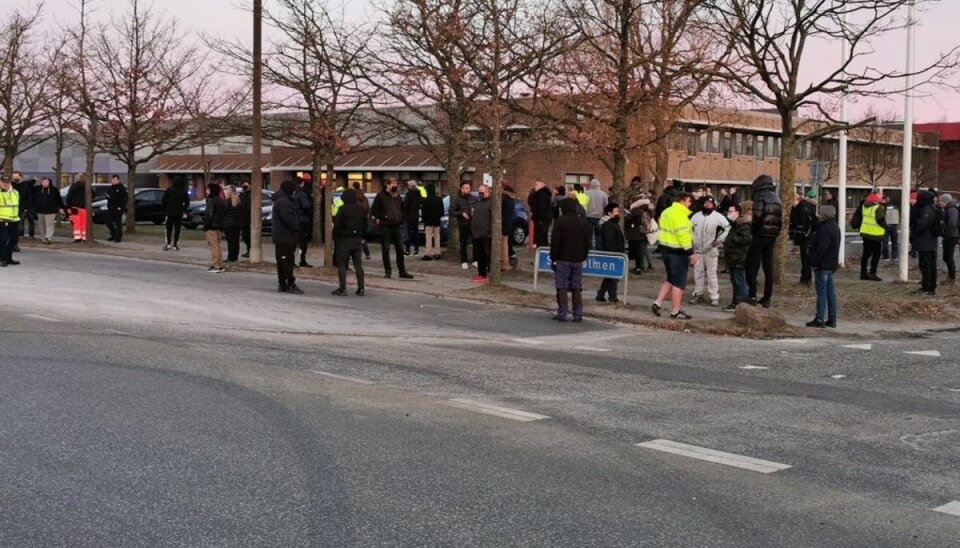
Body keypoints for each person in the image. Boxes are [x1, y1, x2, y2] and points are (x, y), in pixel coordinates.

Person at [652, 192, 697, 320]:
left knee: (670, 279)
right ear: (682, 201)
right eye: (689, 201)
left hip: (665, 250)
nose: (690, 204)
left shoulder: (666, 212)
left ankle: (658, 302)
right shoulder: (680, 215)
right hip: (678, 252)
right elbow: (682, 235)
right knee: (679, 283)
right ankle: (675, 311)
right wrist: (691, 252)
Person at [745, 175, 783, 308]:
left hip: (760, 233)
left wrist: (754, 230)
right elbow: (780, 218)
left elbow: (757, 215)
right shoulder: (776, 197)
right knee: (768, 266)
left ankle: (752, 294)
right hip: (771, 235)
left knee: (749, 263)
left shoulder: (760, 196)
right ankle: (767, 297)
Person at [551, 198, 591, 322]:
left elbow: (555, 242)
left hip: (563, 258)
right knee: (576, 286)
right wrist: (583, 256)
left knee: (562, 285)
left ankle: (563, 312)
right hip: (578, 259)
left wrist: (554, 258)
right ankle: (577, 313)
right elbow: (587, 243)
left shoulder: (560, 222)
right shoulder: (583, 223)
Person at [689, 196, 729, 307]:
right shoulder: (696, 217)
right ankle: (698, 293)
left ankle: (714, 296)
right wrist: (691, 241)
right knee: (698, 273)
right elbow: (689, 229)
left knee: (711, 274)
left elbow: (727, 228)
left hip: (711, 249)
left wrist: (719, 240)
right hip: (697, 250)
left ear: (714, 205)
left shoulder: (718, 217)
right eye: (706, 203)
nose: (708, 205)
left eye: (710, 204)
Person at [806, 205, 841, 328]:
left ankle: (819, 318)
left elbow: (821, 248)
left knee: (821, 292)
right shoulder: (835, 227)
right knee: (830, 292)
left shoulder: (824, 228)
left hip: (822, 264)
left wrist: (814, 262)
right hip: (831, 264)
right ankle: (832, 318)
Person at [372, 178, 413, 279]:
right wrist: (384, 216)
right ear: (388, 185)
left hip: (396, 225)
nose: (395, 185)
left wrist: (401, 217)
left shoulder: (397, 196)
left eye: (396, 183)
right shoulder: (380, 196)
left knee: (400, 248)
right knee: (385, 249)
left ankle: (402, 271)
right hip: (385, 226)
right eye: (393, 184)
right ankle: (388, 271)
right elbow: (374, 210)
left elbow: (402, 208)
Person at [332, 188, 367, 296]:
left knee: (342, 264)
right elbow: (366, 225)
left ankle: (343, 288)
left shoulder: (342, 209)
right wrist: (362, 236)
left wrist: (335, 236)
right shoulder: (362, 209)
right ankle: (361, 288)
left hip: (344, 239)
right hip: (357, 239)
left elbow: (337, 224)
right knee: (358, 264)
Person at [721, 202, 753, 312]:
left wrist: (731, 241)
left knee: (740, 281)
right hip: (733, 258)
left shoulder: (743, 224)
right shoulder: (735, 224)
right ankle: (735, 302)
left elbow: (746, 239)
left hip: (740, 257)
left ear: (738, 212)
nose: (729, 214)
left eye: (731, 211)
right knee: (735, 281)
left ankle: (743, 305)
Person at [272, 180, 303, 293]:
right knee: (287, 261)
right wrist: (296, 228)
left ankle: (282, 283)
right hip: (286, 237)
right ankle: (290, 283)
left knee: (282, 261)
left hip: (281, 237)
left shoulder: (281, 201)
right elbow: (288, 219)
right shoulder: (284, 202)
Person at [852, 192, 886, 281]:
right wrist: (886, 228)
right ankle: (872, 273)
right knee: (876, 254)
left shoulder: (864, 206)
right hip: (876, 234)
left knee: (866, 254)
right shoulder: (878, 207)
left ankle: (863, 273)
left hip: (865, 233)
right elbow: (881, 220)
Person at [912, 191, 941, 295]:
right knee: (932, 265)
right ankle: (932, 287)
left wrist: (915, 232)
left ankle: (926, 287)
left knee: (925, 265)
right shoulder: (935, 208)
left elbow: (922, 224)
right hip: (932, 241)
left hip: (925, 241)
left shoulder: (926, 209)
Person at [596, 203, 625, 303]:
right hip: (613, 254)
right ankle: (613, 297)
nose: (618, 213)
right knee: (613, 276)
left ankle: (601, 294)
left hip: (616, 253)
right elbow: (609, 241)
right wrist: (614, 255)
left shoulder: (612, 223)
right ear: (610, 213)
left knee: (609, 276)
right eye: (616, 211)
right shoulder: (609, 225)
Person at [791, 190, 818, 285]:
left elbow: (801, 225)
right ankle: (805, 278)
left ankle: (806, 279)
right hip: (807, 235)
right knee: (805, 258)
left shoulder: (803, 208)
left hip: (806, 236)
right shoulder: (805, 206)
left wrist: (797, 239)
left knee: (805, 258)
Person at [625, 196, 655, 274]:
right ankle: (642, 266)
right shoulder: (647, 212)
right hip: (642, 234)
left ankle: (639, 267)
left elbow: (629, 220)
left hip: (635, 234)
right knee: (642, 251)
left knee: (638, 252)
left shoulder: (636, 211)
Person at [450, 181, 476, 269]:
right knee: (463, 242)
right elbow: (452, 211)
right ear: (462, 189)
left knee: (475, 241)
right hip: (463, 224)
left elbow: (478, 208)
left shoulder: (473, 198)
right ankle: (464, 261)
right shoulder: (457, 200)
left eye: (469, 188)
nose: (469, 190)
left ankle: (475, 260)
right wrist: (461, 214)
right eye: (466, 188)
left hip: (473, 224)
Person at [471, 184, 494, 283]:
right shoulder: (478, 203)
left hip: (486, 234)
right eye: (479, 191)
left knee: (488, 255)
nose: (480, 193)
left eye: (482, 191)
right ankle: (482, 274)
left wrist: (489, 230)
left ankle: (491, 273)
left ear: (487, 191)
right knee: (479, 255)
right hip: (477, 233)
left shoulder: (491, 203)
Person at [202, 182, 226, 273]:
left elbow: (209, 215)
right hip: (219, 226)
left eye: (208, 189)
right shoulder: (221, 200)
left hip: (212, 226)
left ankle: (216, 265)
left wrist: (206, 226)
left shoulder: (212, 201)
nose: (206, 191)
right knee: (218, 246)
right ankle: (220, 264)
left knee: (214, 246)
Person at [33, 177, 64, 245]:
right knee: (41, 225)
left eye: (46, 182)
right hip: (40, 210)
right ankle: (44, 238)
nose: (45, 183)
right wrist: (34, 180)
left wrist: (61, 207)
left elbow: (59, 199)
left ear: (49, 182)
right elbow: (29, 189)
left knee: (49, 224)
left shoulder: (54, 190)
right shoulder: (37, 189)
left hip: (51, 211)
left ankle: (48, 238)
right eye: (43, 182)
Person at [162, 180, 190, 251]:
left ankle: (168, 243)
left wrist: (167, 207)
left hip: (170, 212)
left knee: (168, 228)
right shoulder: (183, 191)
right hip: (179, 213)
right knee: (177, 229)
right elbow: (187, 203)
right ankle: (175, 244)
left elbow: (163, 201)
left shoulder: (169, 190)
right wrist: (183, 208)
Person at [0, 175, 20, 266]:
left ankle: (8, 257)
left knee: (13, 240)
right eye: (3, 183)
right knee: (3, 240)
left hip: (14, 220)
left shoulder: (15, 192)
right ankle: (3, 259)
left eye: (7, 183)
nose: (5, 184)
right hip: (2, 220)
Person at [292, 179, 313, 267]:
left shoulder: (293, 194)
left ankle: (291, 260)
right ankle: (302, 260)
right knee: (303, 242)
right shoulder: (302, 194)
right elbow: (306, 206)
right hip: (303, 220)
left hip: (295, 220)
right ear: (302, 184)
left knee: (294, 242)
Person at [421, 183, 443, 260]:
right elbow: (442, 211)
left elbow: (424, 212)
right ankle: (438, 253)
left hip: (428, 222)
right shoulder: (439, 199)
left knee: (429, 238)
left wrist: (424, 219)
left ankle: (428, 254)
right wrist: (438, 216)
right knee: (437, 237)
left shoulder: (426, 200)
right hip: (437, 221)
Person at [528, 179, 553, 248]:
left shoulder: (542, 194)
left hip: (542, 219)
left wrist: (540, 220)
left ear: (542, 185)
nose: (535, 186)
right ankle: (543, 249)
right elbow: (530, 202)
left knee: (541, 236)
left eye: (537, 184)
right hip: (542, 219)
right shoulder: (537, 194)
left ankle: (542, 250)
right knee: (542, 236)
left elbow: (541, 207)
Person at [940, 193, 959, 282]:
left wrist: (946, 232)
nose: (939, 203)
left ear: (945, 201)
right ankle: (951, 275)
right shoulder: (949, 209)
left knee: (948, 256)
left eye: (941, 201)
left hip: (951, 236)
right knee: (946, 257)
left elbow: (952, 223)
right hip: (951, 235)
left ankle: (952, 277)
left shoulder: (951, 210)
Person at [585, 179, 609, 248]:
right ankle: (599, 251)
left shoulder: (586, 193)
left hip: (588, 216)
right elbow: (606, 207)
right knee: (599, 235)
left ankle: (589, 250)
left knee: (588, 235)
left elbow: (584, 205)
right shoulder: (604, 194)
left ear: (591, 184)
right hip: (599, 217)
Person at [65, 173, 88, 243]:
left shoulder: (74, 186)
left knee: (76, 223)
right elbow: (92, 195)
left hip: (75, 207)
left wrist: (68, 207)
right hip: (84, 207)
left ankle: (78, 238)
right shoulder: (87, 186)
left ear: (77, 178)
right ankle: (84, 237)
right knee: (84, 223)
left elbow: (69, 197)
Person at [402, 180, 423, 256]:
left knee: (407, 234)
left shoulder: (409, 194)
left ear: (410, 186)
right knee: (416, 233)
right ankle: (416, 250)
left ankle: (407, 250)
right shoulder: (418, 194)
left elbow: (405, 206)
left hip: (408, 217)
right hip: (415, 216)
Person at [223, 185, 243, 263]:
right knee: (236, 241)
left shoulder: (227, 202)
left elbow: (224, 212)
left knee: (230, 242)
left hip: (228, 224)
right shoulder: (238, 201)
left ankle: (230, 257)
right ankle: (235, 257)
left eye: (227, 190)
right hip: (237, 224)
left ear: (230, 191)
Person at [105, 175, 127, 242]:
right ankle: (113, 234)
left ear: (118, 180)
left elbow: (125, 198)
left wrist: (121, 207)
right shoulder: (111, 188)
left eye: (115, 180)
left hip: (118, 208)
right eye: (113, 180)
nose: (113, 181)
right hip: (110, 208)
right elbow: (107, 195)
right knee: (108, 222)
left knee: (118, 223)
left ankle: (118, 237)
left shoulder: (122, 188)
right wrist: (107, 196)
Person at [352, 182, 372, 259]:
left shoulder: (353, 197)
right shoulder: (365, 198)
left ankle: (354, 254)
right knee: (362, 238)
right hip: (363, 219)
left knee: (353, 237)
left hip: (354, 219)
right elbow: (367, 209)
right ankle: (367, 254)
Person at [13, 172, 34, 241]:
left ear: (20, 177)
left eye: (16, 177)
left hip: (25, 207)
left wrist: (26, 207)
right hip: (16, 208)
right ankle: (20, 235)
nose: (15, 179)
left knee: (29, 221)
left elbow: (28, 197)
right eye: (14, 177)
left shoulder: (25, 185)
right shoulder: (12, 185)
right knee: (20, 222)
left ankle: (31, 235)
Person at [501, 184, 517, 269]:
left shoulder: (503, 197)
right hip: (508, 222)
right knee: (505, 242)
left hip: (502, 223)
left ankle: (504, 263)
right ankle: (505, 262)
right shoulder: (512, 198)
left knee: (502, 243)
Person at [882, 196, 900, 261]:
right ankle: (895, 256)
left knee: (885, 242)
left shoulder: (883, 207)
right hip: (894, 226)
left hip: (885, 226)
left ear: (884, 200)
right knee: (895, 242)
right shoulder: (895, 207)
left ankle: (886, 257)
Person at [239, 179, 252, 258]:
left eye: (246, 185)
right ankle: (248, 249)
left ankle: (250, 250)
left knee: (250, 235)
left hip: (250, 218)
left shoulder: (251, 195)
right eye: (243, 185)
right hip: (243, 219)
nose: (244, 187)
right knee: (245, 236)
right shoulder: (242, 195)